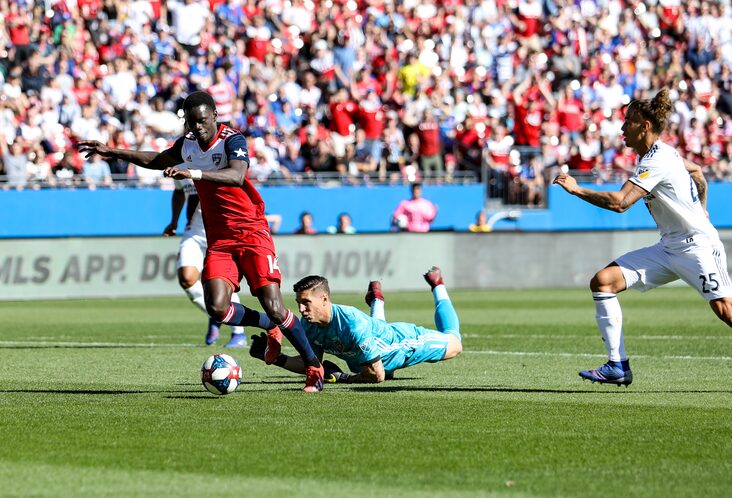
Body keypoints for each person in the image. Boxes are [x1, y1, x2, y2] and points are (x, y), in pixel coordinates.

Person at [552, 88, 732, 394]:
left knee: (729, 311)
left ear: (644, 126)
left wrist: (576, 190)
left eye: (628, 123)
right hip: (669, 246)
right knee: (603, 282)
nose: (623, 129)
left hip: (697, 247)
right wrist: (701, 206)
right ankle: (617, 366)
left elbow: (621, 202)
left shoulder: (657, 160)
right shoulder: (663, 154)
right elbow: (698, 172)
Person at [78, 91, 325, 392]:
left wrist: (193, 171)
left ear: (215, 116)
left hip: (251, 233)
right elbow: (156, 159)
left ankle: (314, 366)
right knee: (217, 308)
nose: (197, 128)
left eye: (202, 121)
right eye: (191, 123)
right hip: (220, 239)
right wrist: (113, 152)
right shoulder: (188, 145)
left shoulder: (232, 141)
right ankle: (268, 326)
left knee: (274, 304)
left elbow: (236, 176)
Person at [248, 267, 462, 383]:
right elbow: (311, 363)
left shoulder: (351, 323)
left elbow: (377, 375)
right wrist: (275, 358)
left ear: (324, 299)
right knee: (373, 332)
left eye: (306, 303)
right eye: (298, 304)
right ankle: (376, 299)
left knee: (455, 342)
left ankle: (438, 285)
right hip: (373, 342)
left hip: (402, 343)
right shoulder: (308, 325)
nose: (301, 310)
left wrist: (345, 378)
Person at [162, 179, 247, 347]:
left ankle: (238, 333)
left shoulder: (218, 161)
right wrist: (174, 221)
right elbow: (179, 191)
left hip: (221, 233)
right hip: (194, 233)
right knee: (187, 278)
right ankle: (215, 313)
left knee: (224, 282)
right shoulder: (180, 162)